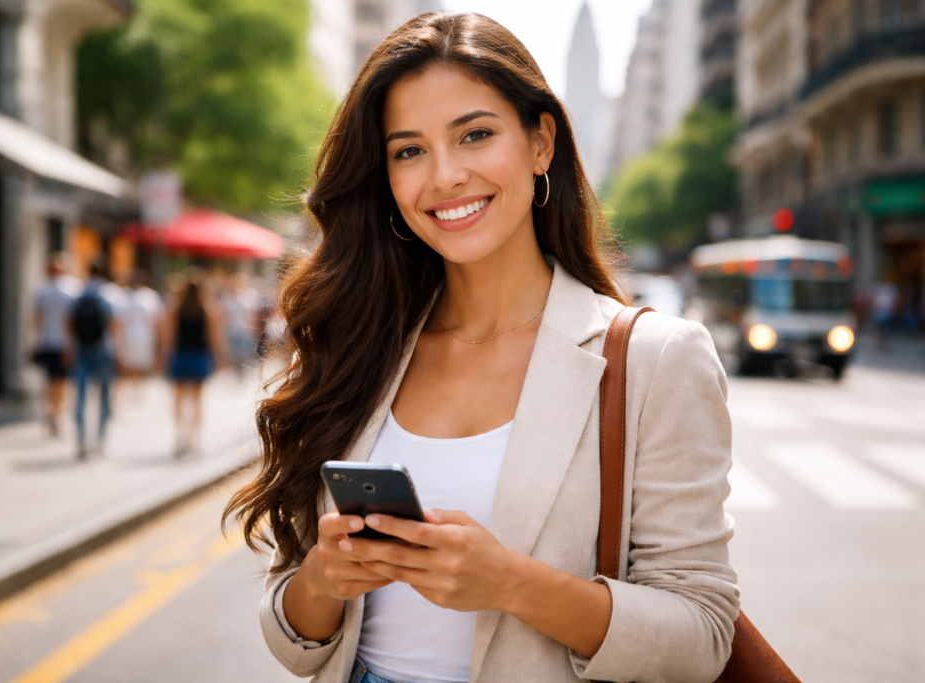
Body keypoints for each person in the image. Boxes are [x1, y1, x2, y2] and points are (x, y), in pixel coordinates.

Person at [223, 12, 739, 683]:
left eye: (475, 134)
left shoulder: (656, 358)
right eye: (409, 150)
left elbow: (703, 634)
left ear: (540, 143)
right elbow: (294, 639)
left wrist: (510, 583)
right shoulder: (361, 345)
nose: (444, 176)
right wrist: (323, 578)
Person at [165, 268, 227, 456]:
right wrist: (222, 355)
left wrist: (164, 355)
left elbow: (170, 335)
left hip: (181, 355)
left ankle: (180, 437)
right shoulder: (208, 308)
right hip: (200, 355)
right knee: (197, 400)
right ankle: (193, 439)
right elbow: (214, 336)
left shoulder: (176, 307)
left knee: (178, 399)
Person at [70, 261, 119, 459]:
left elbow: (69, 322)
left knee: (80, 395)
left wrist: (71, 347)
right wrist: (119, 350)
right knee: (104, 396)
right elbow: (114, 324)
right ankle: (101, 440)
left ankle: (81, 440)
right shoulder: (107, 294)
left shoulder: (79, 294)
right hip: (103, 350)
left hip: (82, 349)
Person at [29, 253, 81, 436]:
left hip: (48, 341)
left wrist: (34, 341)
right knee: (62, 381)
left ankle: (52, 412)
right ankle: (55, 414)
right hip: (64, 343)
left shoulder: (41, 289)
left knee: (51, 380)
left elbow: (36, 319)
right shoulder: (73, 288)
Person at [120, 269, 165, 394]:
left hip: (140, 336)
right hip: (134, 336)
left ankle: (136, 389)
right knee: (130, 364)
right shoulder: (148, 295)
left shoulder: (147, 295)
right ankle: (132, 389)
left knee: (139, 364)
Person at [221, 271, 262, 374]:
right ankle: (236, 369)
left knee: (245, 351)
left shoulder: (251, 294)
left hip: (246, 329)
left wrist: (255, 327)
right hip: (231, 329)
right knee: (233, 351)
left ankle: (243, 370)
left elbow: (255, 313)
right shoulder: (227, 295)